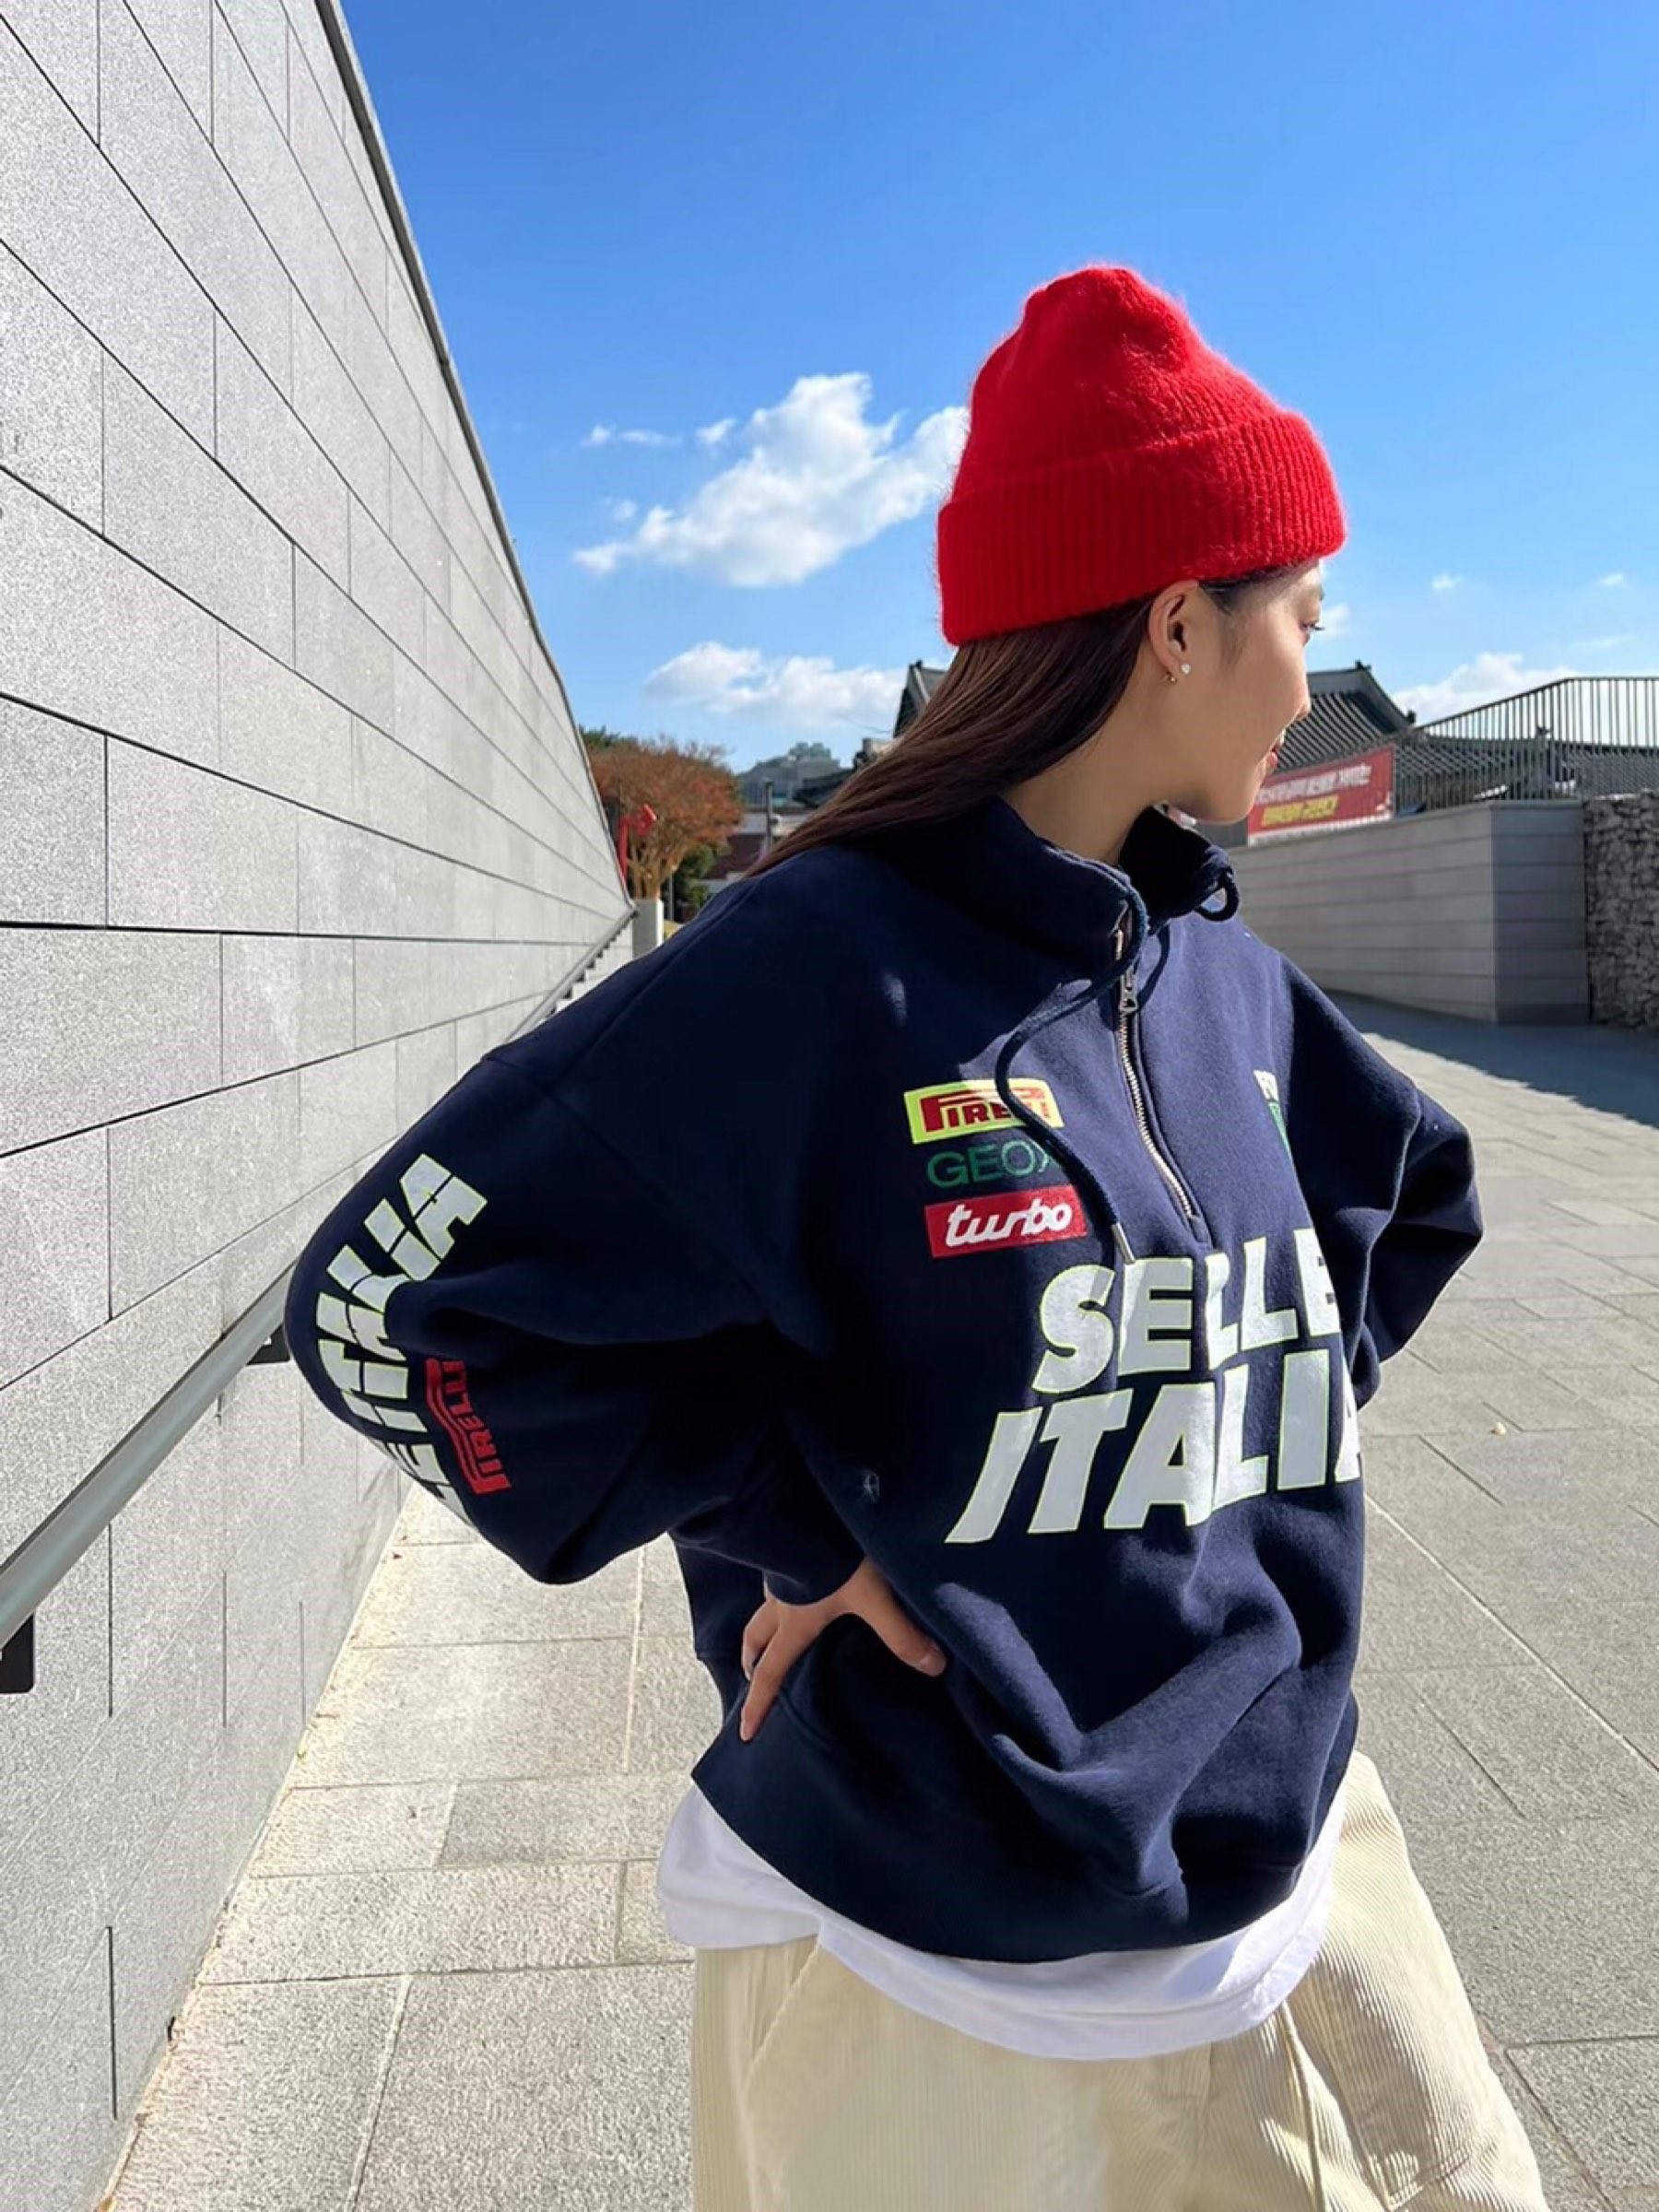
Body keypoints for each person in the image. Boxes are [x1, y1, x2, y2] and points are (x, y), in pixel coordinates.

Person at [284, 266, 1548, 2211]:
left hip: (1304, 1879)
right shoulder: (811, 966)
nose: (1315, 678)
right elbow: (387, 1303)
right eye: (1303, 615)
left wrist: (1203, 1436)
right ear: (1177, 623)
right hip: (940, 1980)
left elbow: (1408, 1202)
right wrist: (813, 1529)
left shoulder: (1216, 966)